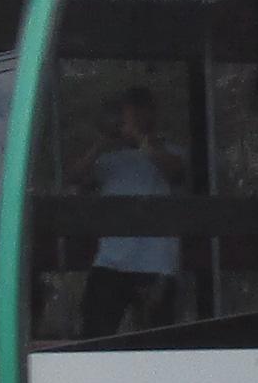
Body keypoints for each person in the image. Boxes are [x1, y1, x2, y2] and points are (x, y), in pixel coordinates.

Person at [77, 91, 183, 337]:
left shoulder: (172, 152)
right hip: (110, 262)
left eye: (136, 115)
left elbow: (176, 172)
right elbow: (76, 178)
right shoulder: (109, 160)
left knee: (159, 339)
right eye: (126, 116)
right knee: (94, 335)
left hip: (157, 264)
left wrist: (141, 138)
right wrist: (102, 142)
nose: (129, 121)